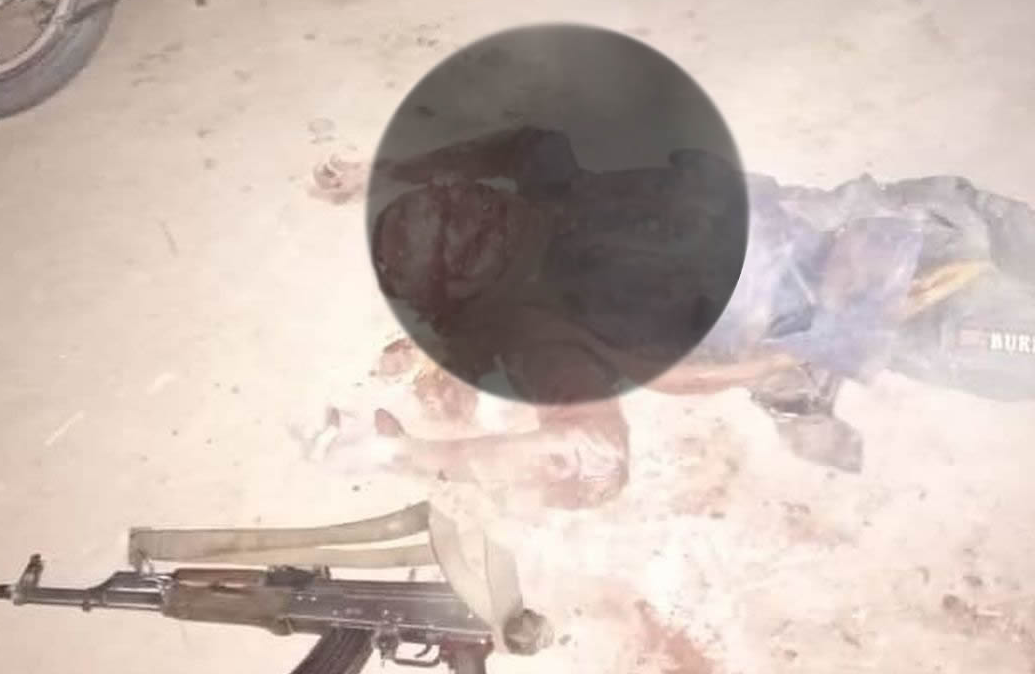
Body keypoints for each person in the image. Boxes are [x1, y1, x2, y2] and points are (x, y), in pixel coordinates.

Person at [343, 127, 1035, 509]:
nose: (469, 204)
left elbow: (594, 458)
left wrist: (412, 455)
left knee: (975, 252)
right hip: (888, 247)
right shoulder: (546, 251)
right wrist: (395, 168)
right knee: (986, 285)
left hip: (886, 265)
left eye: (453, 201)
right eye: (457, 216)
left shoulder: (539, 294)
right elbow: (594, 458)